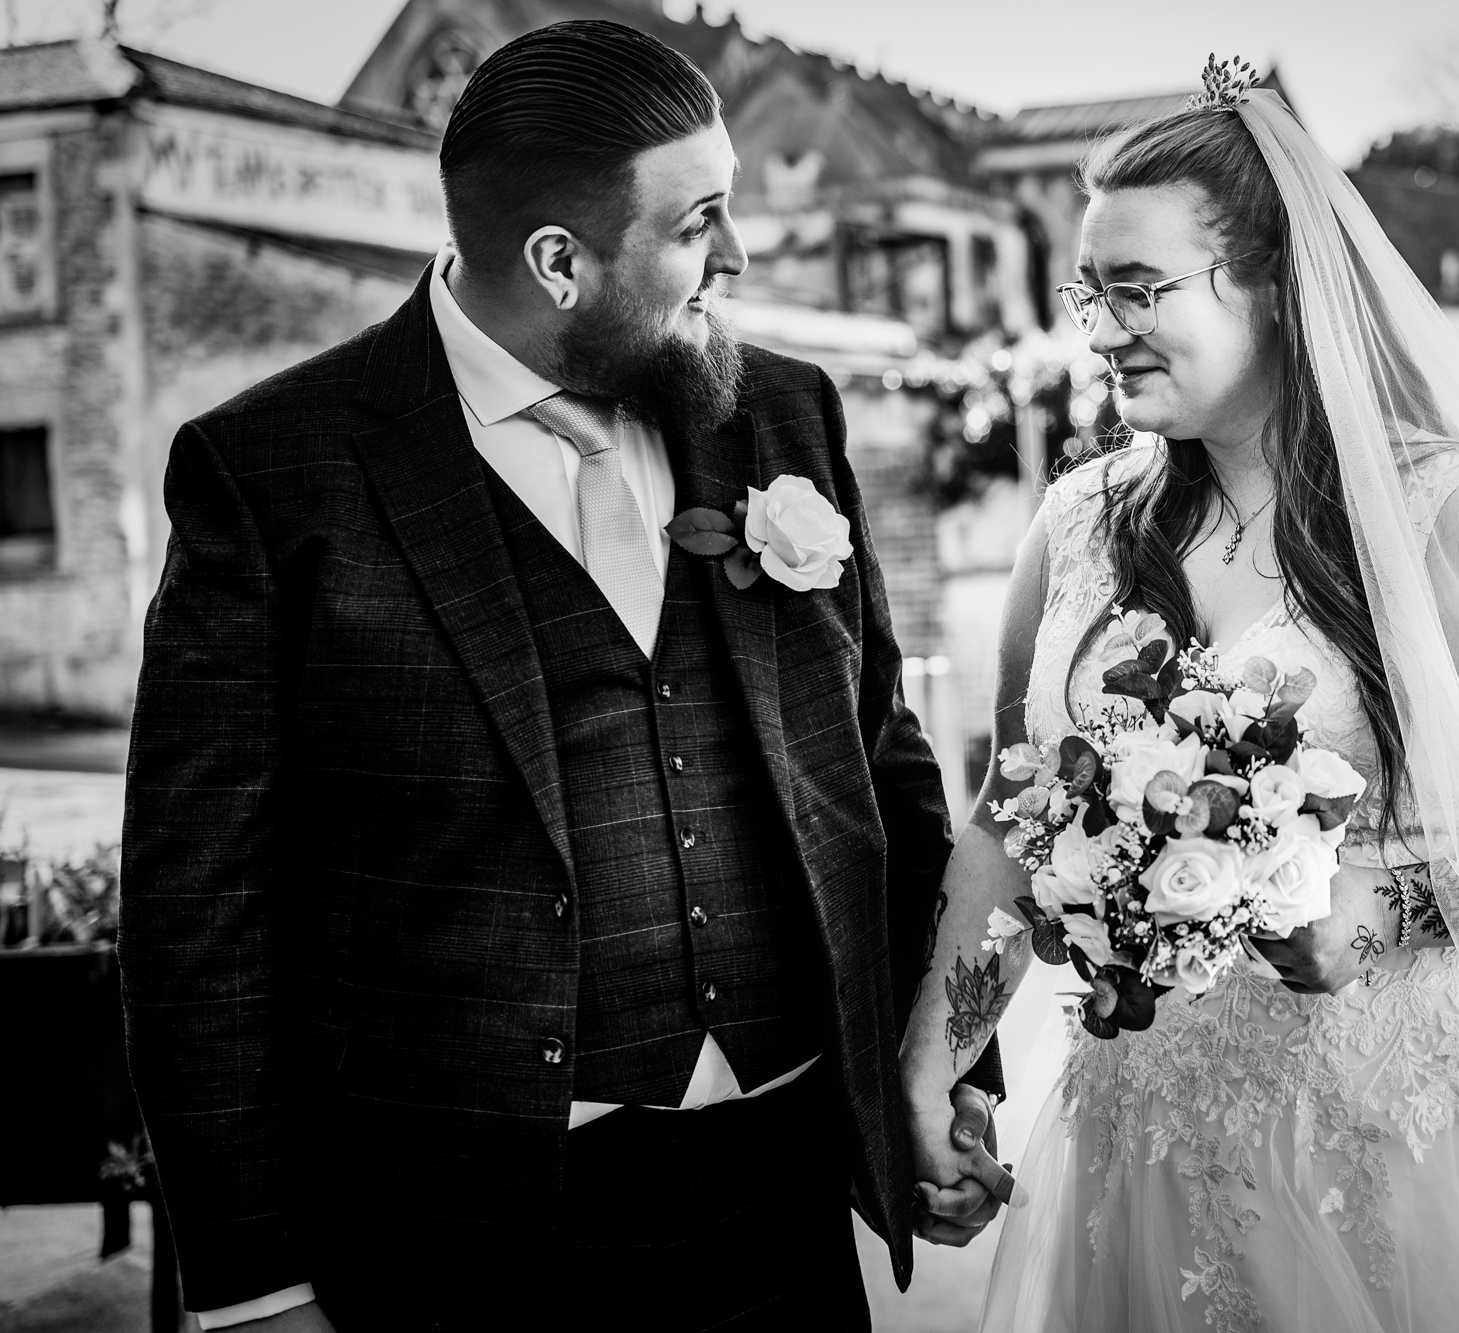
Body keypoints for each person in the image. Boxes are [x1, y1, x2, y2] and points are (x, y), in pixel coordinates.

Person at [118, 22, 1005, 1332]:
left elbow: (877, 770)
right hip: (459, 1237)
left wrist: (944, 1074)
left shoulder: (781, 415)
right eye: (700, 220)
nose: (739, 257)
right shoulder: (278, 475)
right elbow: (199, 912)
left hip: (780, 1200)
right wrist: (252, 1285)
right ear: (558, 262)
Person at [899, 66, 1459, 1332]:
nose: (1099, 330)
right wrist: (934, 1062)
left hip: (1410, 1138)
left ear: (1275, 285)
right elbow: (1007, 815)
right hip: (1140, 1135)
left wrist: (1386, 910)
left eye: (1139, 290)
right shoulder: (1074, 527)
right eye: (1087, 293)